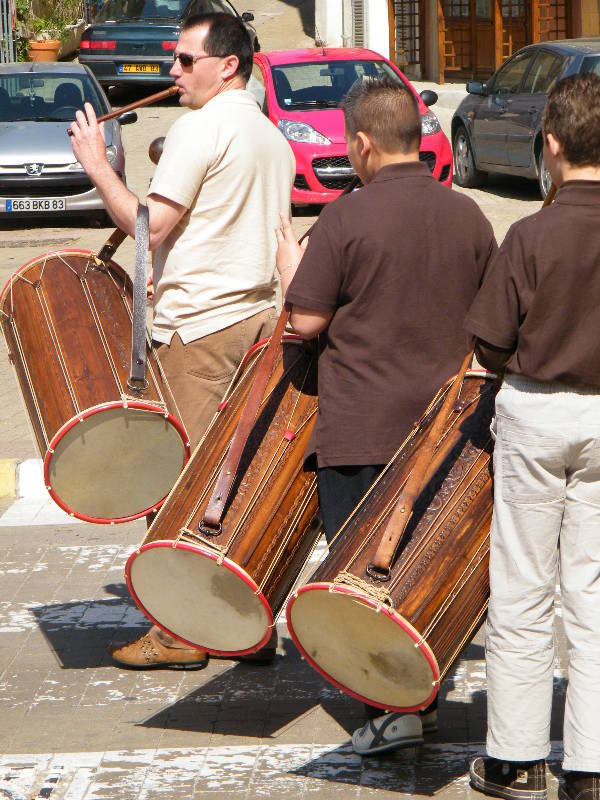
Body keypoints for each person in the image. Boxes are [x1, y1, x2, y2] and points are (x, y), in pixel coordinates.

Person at [275, 77, 496, 755]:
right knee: (421, 570)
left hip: (363, 428)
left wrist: (291, 267)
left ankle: (395, 712)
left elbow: (306, 319)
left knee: (366, 580)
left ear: (363, 144)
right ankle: (417, 704)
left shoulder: (346, 216)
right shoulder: (470, 216)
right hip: (448, 432)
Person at [70, 12, 295, 670]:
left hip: (199, 328)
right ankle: (241, 624)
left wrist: (96, 168)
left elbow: (149, 227)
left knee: (175, 486)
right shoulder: (271, 138)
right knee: (234, 484)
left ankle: (179, 633)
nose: (173, 72)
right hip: (256, 326)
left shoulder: (201, 127)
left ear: (228, 65)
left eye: (185, 60)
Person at [465, 72, 600, 800]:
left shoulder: (530, 233)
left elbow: (489, 343)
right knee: (595, 592)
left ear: (550, 145)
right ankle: (592, 766)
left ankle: (517, 759)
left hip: (537, 409)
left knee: (522, 588)